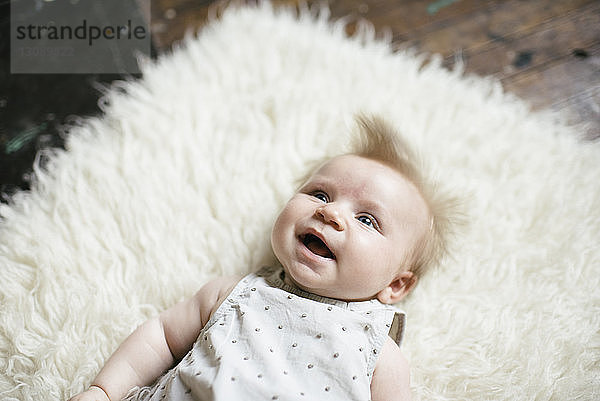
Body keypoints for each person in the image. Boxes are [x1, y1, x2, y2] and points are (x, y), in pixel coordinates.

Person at [69, 115, 458, 401]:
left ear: (396, 284)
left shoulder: (379, 353)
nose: (331, 213)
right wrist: (104, 391)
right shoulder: (232, 294)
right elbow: (161, 339)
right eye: (320, 194)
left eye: (366, 219)